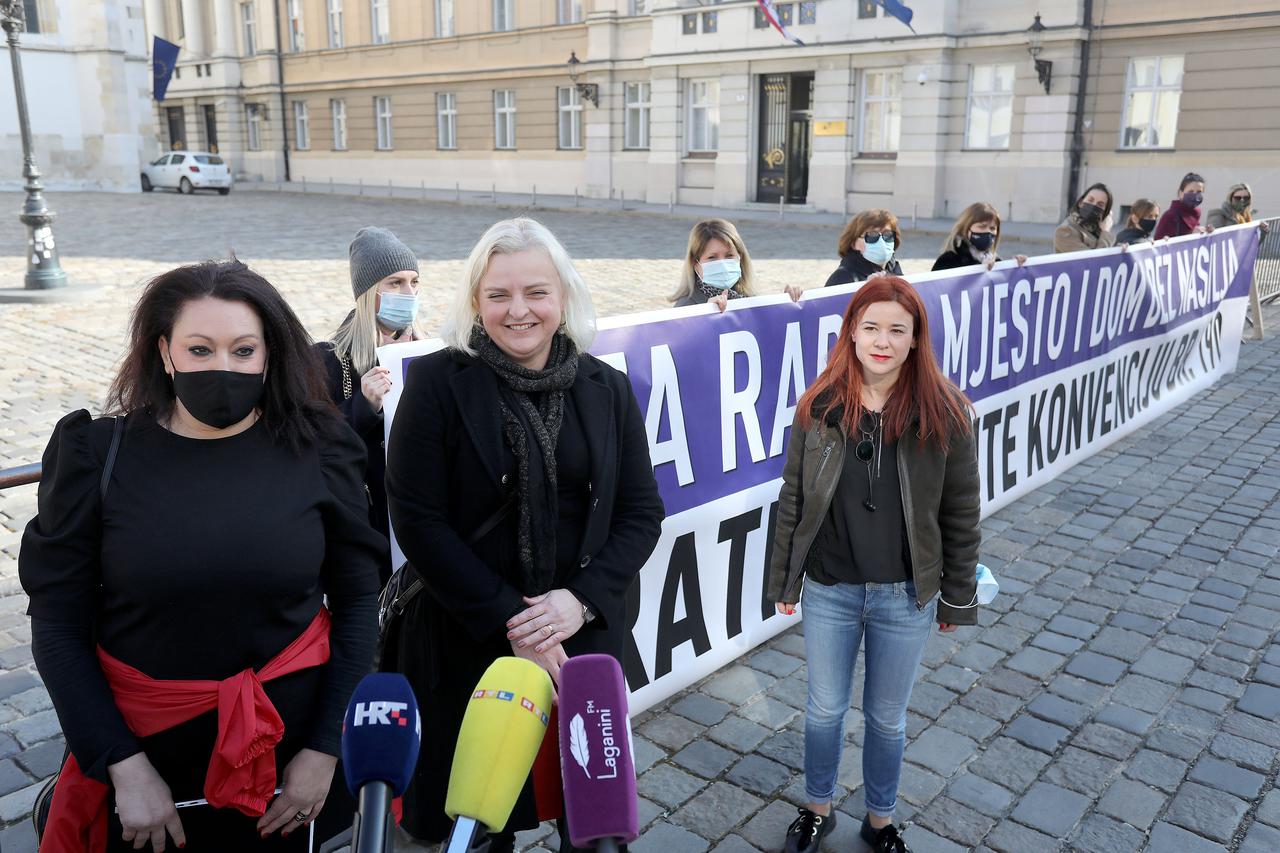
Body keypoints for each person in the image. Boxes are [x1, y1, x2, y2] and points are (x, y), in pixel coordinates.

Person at [21, 260, 385, 852]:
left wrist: (323, 749)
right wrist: (124, 765)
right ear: (165, 353)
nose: (224, 367)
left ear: (269, 355)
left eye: (243, 350)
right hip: (146, 760)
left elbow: (357, 601)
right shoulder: (96, 456)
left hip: (287, 762)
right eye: (200, 348)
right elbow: (58, 625)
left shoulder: (320, 448)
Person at [383, 218, 665, 852]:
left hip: (582, 640)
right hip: (468, 636)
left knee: (591, 821)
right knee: (479, 827)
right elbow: (419, 521)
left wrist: (579, 600)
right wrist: (517, 620)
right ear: (476, 303)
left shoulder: (607, 388)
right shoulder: (435, 386)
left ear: (562, 296)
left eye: (536, 292)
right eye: (499, 295)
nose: (519, 311)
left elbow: (642, 512)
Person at [767, 276, 980, 853]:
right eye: (871, 328)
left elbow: (961, 513)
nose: (882, 341)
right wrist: (783, 580)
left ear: (916, 340)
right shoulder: (821, 404)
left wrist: (957, 597)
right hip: (831, 587)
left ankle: (880, 820)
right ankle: (817, 809)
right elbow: (793, 496)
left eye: (897, 330)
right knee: (823, 709)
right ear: (852, 334)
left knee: (887, 718)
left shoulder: (948, 412)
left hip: (904, 594)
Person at [316, 226, 425, 572]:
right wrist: (364, 405)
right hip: (365, 525)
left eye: (414, 282)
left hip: (419, 520)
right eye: (394, 283)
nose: (408, 293)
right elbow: (315, 442)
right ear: (367, 292)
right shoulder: (327, 360)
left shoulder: (428, 353)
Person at [669, 218, 758, 312]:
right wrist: (706, 315)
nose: (723, 265)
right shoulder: (685, 308)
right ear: (695, 264)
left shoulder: (753, 301)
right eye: (712, 257)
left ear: (740, 257)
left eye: (729, 255)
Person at [931, 203, 1027, 271]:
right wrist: (980, 270)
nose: (988, 232)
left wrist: (1016, 267)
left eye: (992, 228)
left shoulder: (996, 262)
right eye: (982, 227)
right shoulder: (949, 260)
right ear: (966, 229)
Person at [827, 210, 904, 286]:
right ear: (853, 243)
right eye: (872, 235)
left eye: (887, 234)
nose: (881, 241)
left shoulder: (895, 270)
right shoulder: (842, 278)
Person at [1054, 183, 1117, 253]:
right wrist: (1106, 232)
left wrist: (1121, 249)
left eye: (1100, 204)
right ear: (1081, 203)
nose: (1093, 205)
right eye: (1090, 200)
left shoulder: (1098, 230)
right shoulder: (1066, 230)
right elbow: (1094, 261)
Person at [1154, 172, 1210, 239]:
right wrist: (1191, 234)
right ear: (1181, 193)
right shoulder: (1170, 215)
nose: (1195, 195)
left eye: (1199, 192)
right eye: (1191, 191)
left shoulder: (1195, 214)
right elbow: (1159, 243)